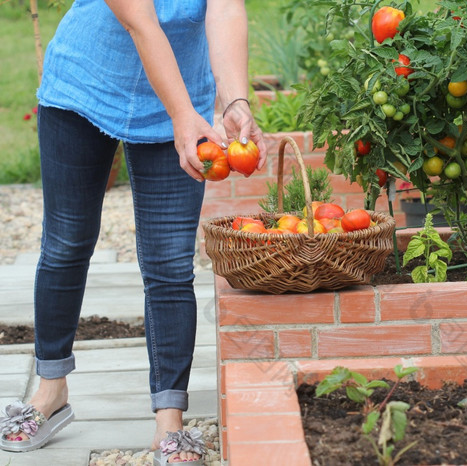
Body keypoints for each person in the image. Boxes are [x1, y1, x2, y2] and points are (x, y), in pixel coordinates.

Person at [0, 1, 267, 464]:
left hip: (181, 92)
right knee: (66, 243)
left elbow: (224, 10)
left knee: (169, 263)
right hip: (85, 86)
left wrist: (236, 101)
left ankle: (170, 422)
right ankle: (50, 390)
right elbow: (140, 21)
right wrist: (183, 117)